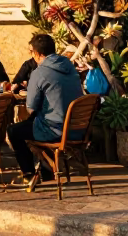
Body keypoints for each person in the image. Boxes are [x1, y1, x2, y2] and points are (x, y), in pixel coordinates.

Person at [7, 32, 83, 191]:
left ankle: (28, 175)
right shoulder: (70, 67)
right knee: (33, 123)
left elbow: (31, 108)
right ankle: (46, 170)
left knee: (14, 131)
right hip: (77, 130)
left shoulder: (39, 72)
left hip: (55, 130)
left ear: (37, 53)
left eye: (31, 52)